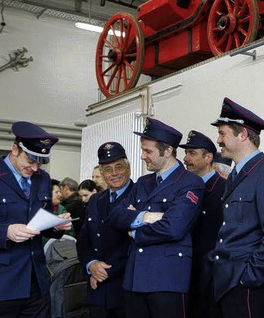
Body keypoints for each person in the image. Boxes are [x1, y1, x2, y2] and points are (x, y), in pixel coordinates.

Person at [0, 121, 72, 318]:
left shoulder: (42, 179)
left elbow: (41, 222)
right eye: (30, 160)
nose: (35, 168)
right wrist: (6, 232)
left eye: (40, 162)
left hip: (36, 285)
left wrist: (56, 226)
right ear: (15, 149)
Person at [108, 118, 204, 318]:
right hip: (135, 278)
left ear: (167, 151)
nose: (143, 156)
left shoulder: (190, 183)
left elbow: (173, 227)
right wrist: (146, 216)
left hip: (167, 279)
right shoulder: (143, 183)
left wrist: (134, 230)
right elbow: (116, 214)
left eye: (148, 151)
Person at [209, 97, 264, 318]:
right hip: (229, 283)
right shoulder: (236, 176)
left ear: (243, 134)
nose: (218, 140)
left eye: (223, 133)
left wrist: (250, 276)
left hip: (248, 286)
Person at [77, 142, 133, 318]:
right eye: (108, 169)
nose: (114, 173)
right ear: (101, 173)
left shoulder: (140, 195)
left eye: (119, 167)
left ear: (128, 168)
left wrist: (104, 272)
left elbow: (134, 243)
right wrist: (90, 264)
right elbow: (84, 238)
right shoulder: (95, 200)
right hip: (97, 289)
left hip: (125, 287)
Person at [178, 130, 227, 318]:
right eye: (186, 153)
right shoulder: (182, 188)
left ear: (208, 158)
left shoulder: (224, 189)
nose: (186, 158)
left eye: (192, 153)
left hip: (211, 276)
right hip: (184, 273)